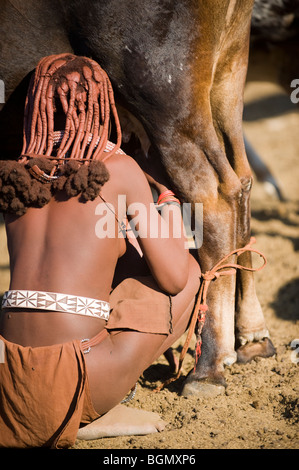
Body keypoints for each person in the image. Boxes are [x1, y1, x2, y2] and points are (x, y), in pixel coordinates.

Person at [0, 54, 200, 448]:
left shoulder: (13, 173)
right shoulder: (119, 169)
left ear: (36, 107)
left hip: (7, 376)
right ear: (101, 107)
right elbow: (173, 278)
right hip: (73, 378)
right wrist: (169, 204)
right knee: (190, 274)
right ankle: (91, 411)